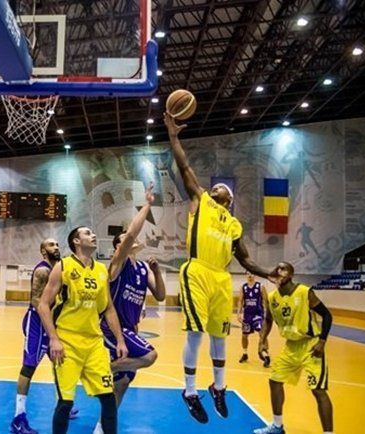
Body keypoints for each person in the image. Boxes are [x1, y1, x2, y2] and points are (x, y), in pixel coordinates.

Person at [164, 113, 273, 423]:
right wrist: (173, 137)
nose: (217, 188)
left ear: (230, 199)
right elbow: (185, 167)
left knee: (220, 336)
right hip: (197, 271)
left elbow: (246, 260)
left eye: (223, 188)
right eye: (216, 187)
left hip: (222, 279)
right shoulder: (202, 201)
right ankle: (189, 391)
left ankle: (219, 386)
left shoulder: (235, 225)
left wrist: (269, 274)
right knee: (195, 334)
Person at [37, 227, 128, 434]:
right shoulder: (63, 266)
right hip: (67, 343)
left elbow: (108, 308)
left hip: (94, 344)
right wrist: (54, 339)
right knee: (65, 403)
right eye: (87, 233)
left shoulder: (101, 270)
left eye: (93, 233)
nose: (93, 235)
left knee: (108, 399)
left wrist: (120, 340)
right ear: (76, 241)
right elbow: (43, 305)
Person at [92, 184, 166, 434]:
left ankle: (101, 428)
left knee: (122, 384)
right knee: (150, 356)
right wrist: (147, 204)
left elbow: (161, 295)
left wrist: (157, 271)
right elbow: (132, 233)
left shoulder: (143, 268)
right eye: (124, 239)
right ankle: (103, 368)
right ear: (118, 247)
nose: (130, 238)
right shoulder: (117, 264)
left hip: (131, 329)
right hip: (113, 329)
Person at [254, 262, 333, 434]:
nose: (279, 270)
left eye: (283, 268)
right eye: (277, 268)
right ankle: (277, 426)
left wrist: (322, 341)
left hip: (311, 345)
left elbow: (327, 315)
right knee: (274, 380)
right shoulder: (272, 297)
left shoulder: (304, 292)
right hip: (291, 346)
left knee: (318, 390)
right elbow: (268, 320)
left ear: (290, 274)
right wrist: (262, 341)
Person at [10, 238, 62, 434]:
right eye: (51, 245)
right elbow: (37, 301)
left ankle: (63, 402)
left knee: (60, 362)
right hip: (37, 323)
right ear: (43, 251)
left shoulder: (57, 268)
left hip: (49, 322)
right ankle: (18, 417)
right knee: (29, 367)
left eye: (57, 245)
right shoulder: (42, 270)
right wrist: (51, 328)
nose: (55, 247)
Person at [237, 272, 270, 366]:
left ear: (254, 275)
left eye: (251, 273)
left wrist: (267, 313)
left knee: (262, 334)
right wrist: (239, 313)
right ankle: (245, 353)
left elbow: (266, 301)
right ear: (245, 275)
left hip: (258, 315)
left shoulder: (260, 286)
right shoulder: (243, 287)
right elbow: (240, 301)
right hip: (247, 316)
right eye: (248, 274)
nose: (250, 275)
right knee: (244, 335)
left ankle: (266, 354)